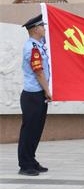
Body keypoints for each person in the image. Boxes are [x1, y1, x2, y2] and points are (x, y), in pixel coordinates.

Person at [18, 14, 51, 176]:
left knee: (36, 130)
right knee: (29, 130)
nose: (45, 29)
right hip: (33, 96)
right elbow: (38, 72)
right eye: (42, 27)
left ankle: (31, 159)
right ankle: (25, 164)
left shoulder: (39, 44)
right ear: (36, 29)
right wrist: (47, 90)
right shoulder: (32, 48)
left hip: (38, 96)